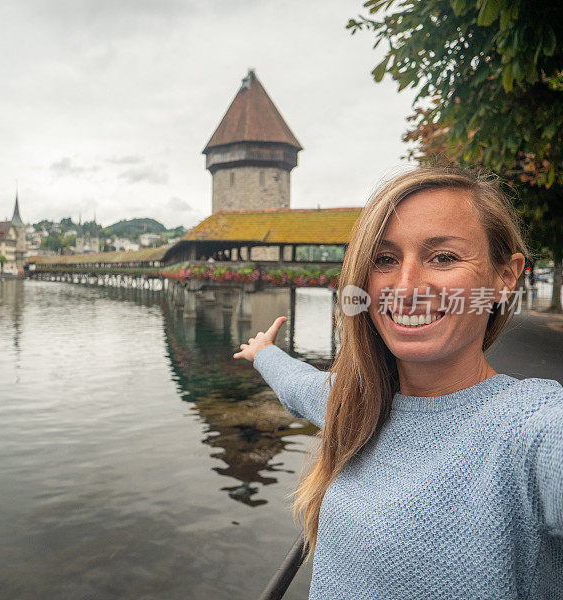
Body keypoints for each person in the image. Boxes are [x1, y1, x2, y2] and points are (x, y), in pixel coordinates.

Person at [234, 167, 562, 600]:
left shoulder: (534, 427)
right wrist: (265, 354)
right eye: (384, 259)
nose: (405, 288)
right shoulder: (354, 403)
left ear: (505, 276)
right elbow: (300, 386)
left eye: (443, 257)